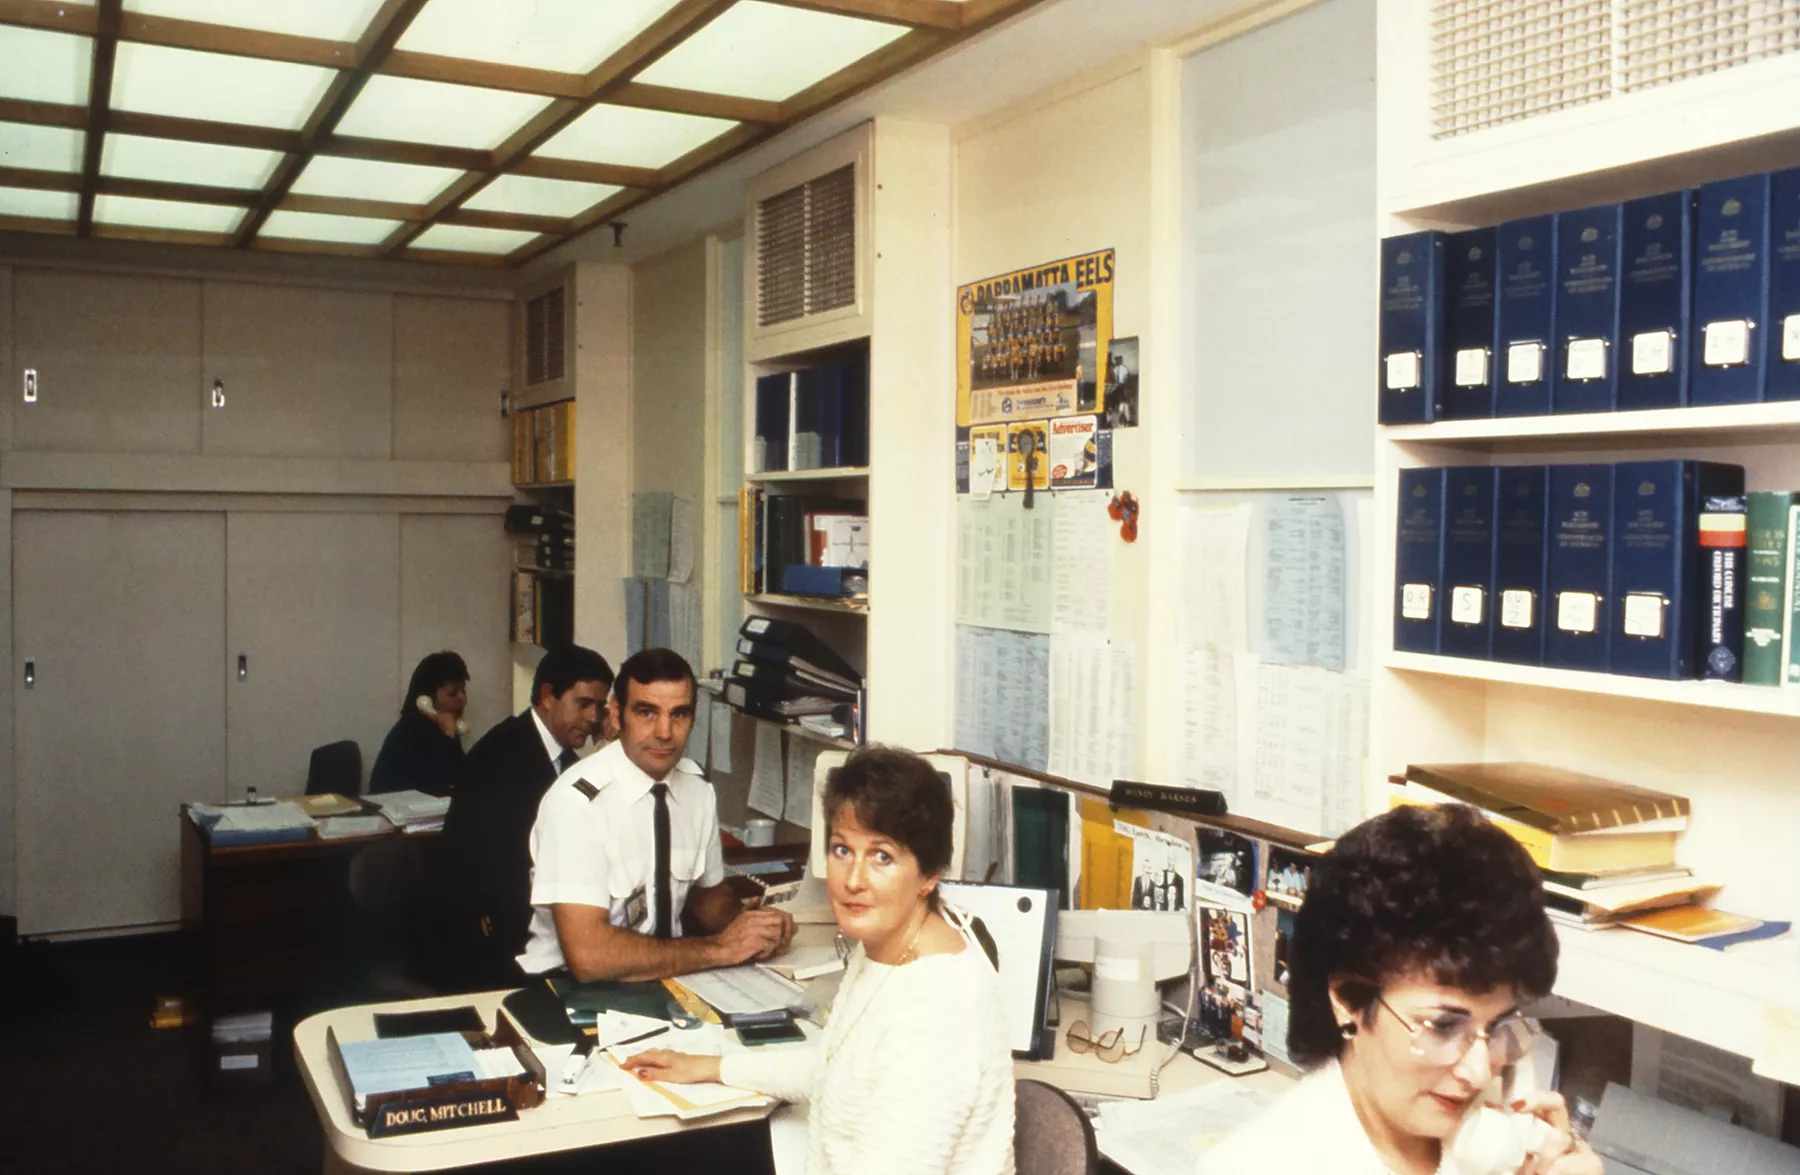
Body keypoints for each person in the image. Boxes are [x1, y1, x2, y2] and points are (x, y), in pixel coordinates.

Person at [626, 746, 1016, 1175]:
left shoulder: (932, 1009)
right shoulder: (890, 950)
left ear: (929, 874)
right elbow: (836, 1066)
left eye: (881, 856)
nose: (853, 880)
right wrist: (713, 1067)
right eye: (842, 849)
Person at [1203, 804, 1601, 1175]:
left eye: (1497, 1027)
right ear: (1347, 1001)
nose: (1479, 1074)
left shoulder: (1490, 1146)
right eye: (1443, 1026)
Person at [517, 648, 793, 980]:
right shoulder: (576, 804)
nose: (664, 732)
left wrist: (758, 929)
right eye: (647, 713)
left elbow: (709, 899)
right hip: (571, 988)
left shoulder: (697, 790)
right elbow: (589, 957)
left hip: (667, 977)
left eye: (679, 714)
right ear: (617, 715)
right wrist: (721, 949)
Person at [436, 644, 616, 991]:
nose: (594, 717)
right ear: (548, 696)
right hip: (487, 943)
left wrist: (609, 746)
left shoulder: (564, 761)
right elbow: (507, 874)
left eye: (600, 706)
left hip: (531, 926)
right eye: (583, 704)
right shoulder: (503, 757)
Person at [368, 651, 469, 796]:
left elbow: (461, 775)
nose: (462, 699)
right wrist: (447, 736)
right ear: (426, 699)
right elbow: (437, 781)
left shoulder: (445, 726)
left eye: (463, 691)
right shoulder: (412, 730)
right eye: (452, 693)